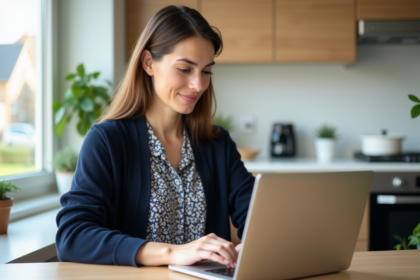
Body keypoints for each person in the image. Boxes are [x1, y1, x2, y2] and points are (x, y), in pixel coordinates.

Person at [55, 5, 254, 268]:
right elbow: (73, 235)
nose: (198, 85)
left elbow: (258, 219)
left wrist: (254, 245)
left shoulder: (217, 144)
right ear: (149, 63)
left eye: (206, 71)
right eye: (185, 69)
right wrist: (172, 253)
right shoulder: (107, 140)